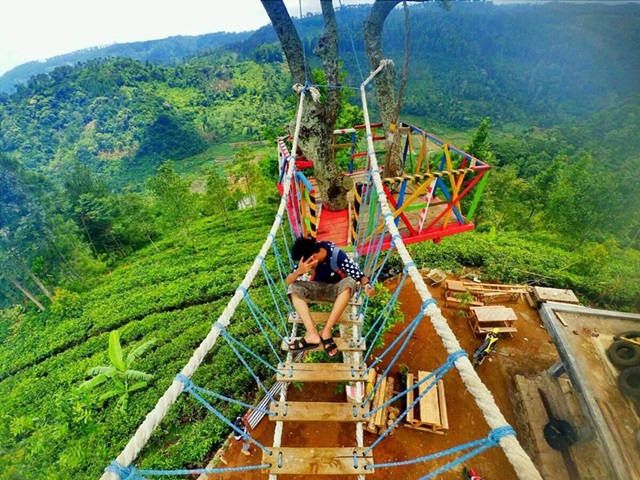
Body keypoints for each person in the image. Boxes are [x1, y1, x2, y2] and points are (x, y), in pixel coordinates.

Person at [286, 237, 374, 358]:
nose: (308, 268)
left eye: (309, 265)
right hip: (317, 287)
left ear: (313, 257)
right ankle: (312, 334)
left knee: (350, 282)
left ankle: (326, 331)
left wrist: (366, 285)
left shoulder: (337, 255)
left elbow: (358, 275)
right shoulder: (306, 258)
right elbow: (288, 281)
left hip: (336, 290)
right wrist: (297, 272)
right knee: (293, 288)